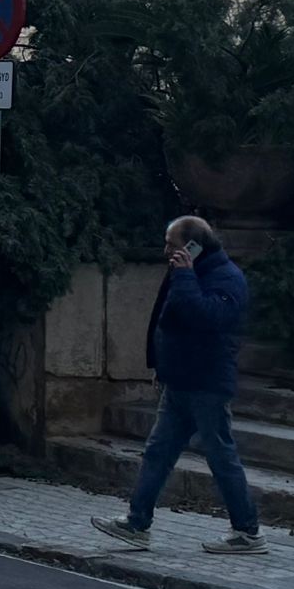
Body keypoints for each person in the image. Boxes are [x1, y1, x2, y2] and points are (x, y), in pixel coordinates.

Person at [92, 215, 267, 555]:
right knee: (158, 452)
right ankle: (137, 522)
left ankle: (248, 531)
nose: (166, 251)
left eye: (172, 245)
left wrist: (185, 274)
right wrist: (159, 363)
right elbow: (165, 318)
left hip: (207, 384)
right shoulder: (185, 272)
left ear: (194, 245)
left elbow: (203, 318)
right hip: (179, 382)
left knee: (221, 456)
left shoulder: (226, 279)